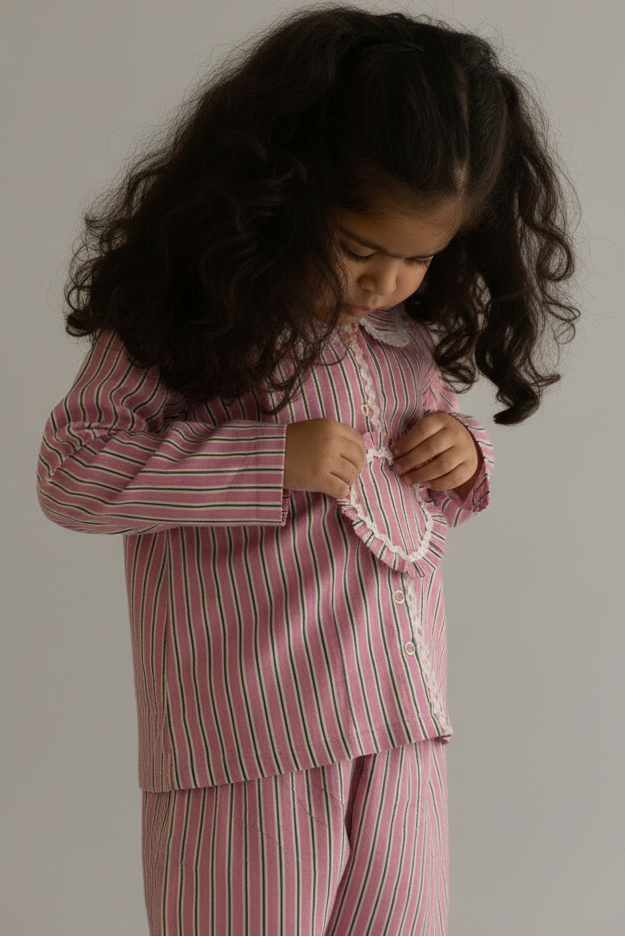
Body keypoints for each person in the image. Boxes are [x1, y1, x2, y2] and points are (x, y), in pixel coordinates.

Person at [36, 5, 580, 935]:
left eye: (420, 256)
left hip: (406, 730)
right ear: (281, 193)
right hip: (248, 744)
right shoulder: (185, 324)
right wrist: (261, 460)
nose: (388, 282)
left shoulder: (404, 336)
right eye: (361, 248)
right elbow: (72, 471)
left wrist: (460, 454)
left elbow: (410, 507)